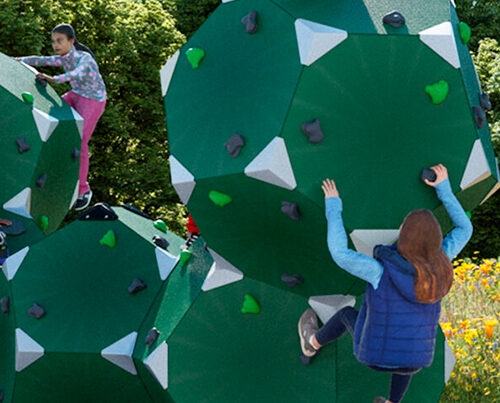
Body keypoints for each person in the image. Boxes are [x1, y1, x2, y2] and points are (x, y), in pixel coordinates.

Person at [298, 164, 473, 403]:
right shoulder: (442, 269)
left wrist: (333, 205)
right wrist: (444, 191)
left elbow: (340, 253)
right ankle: (393, 402)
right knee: (407, 347)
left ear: (404, 237)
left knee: (347, 315)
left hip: (372, 355)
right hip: (415, 362)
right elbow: (464, 229)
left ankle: (311, 343)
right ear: (435, 240)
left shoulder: (380, 271)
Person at [17, 23, 107, 211]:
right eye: (53, 41)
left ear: (71, 41)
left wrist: (54, 79)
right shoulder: (63, 58)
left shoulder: (85, 58)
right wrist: (16, 60)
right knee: (52, 116)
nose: (55, 45)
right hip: (75, 94)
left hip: (93, 100)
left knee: (80, 141)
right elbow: (41, 60)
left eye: (60, 41)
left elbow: (76, 74)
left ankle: (83, 190)